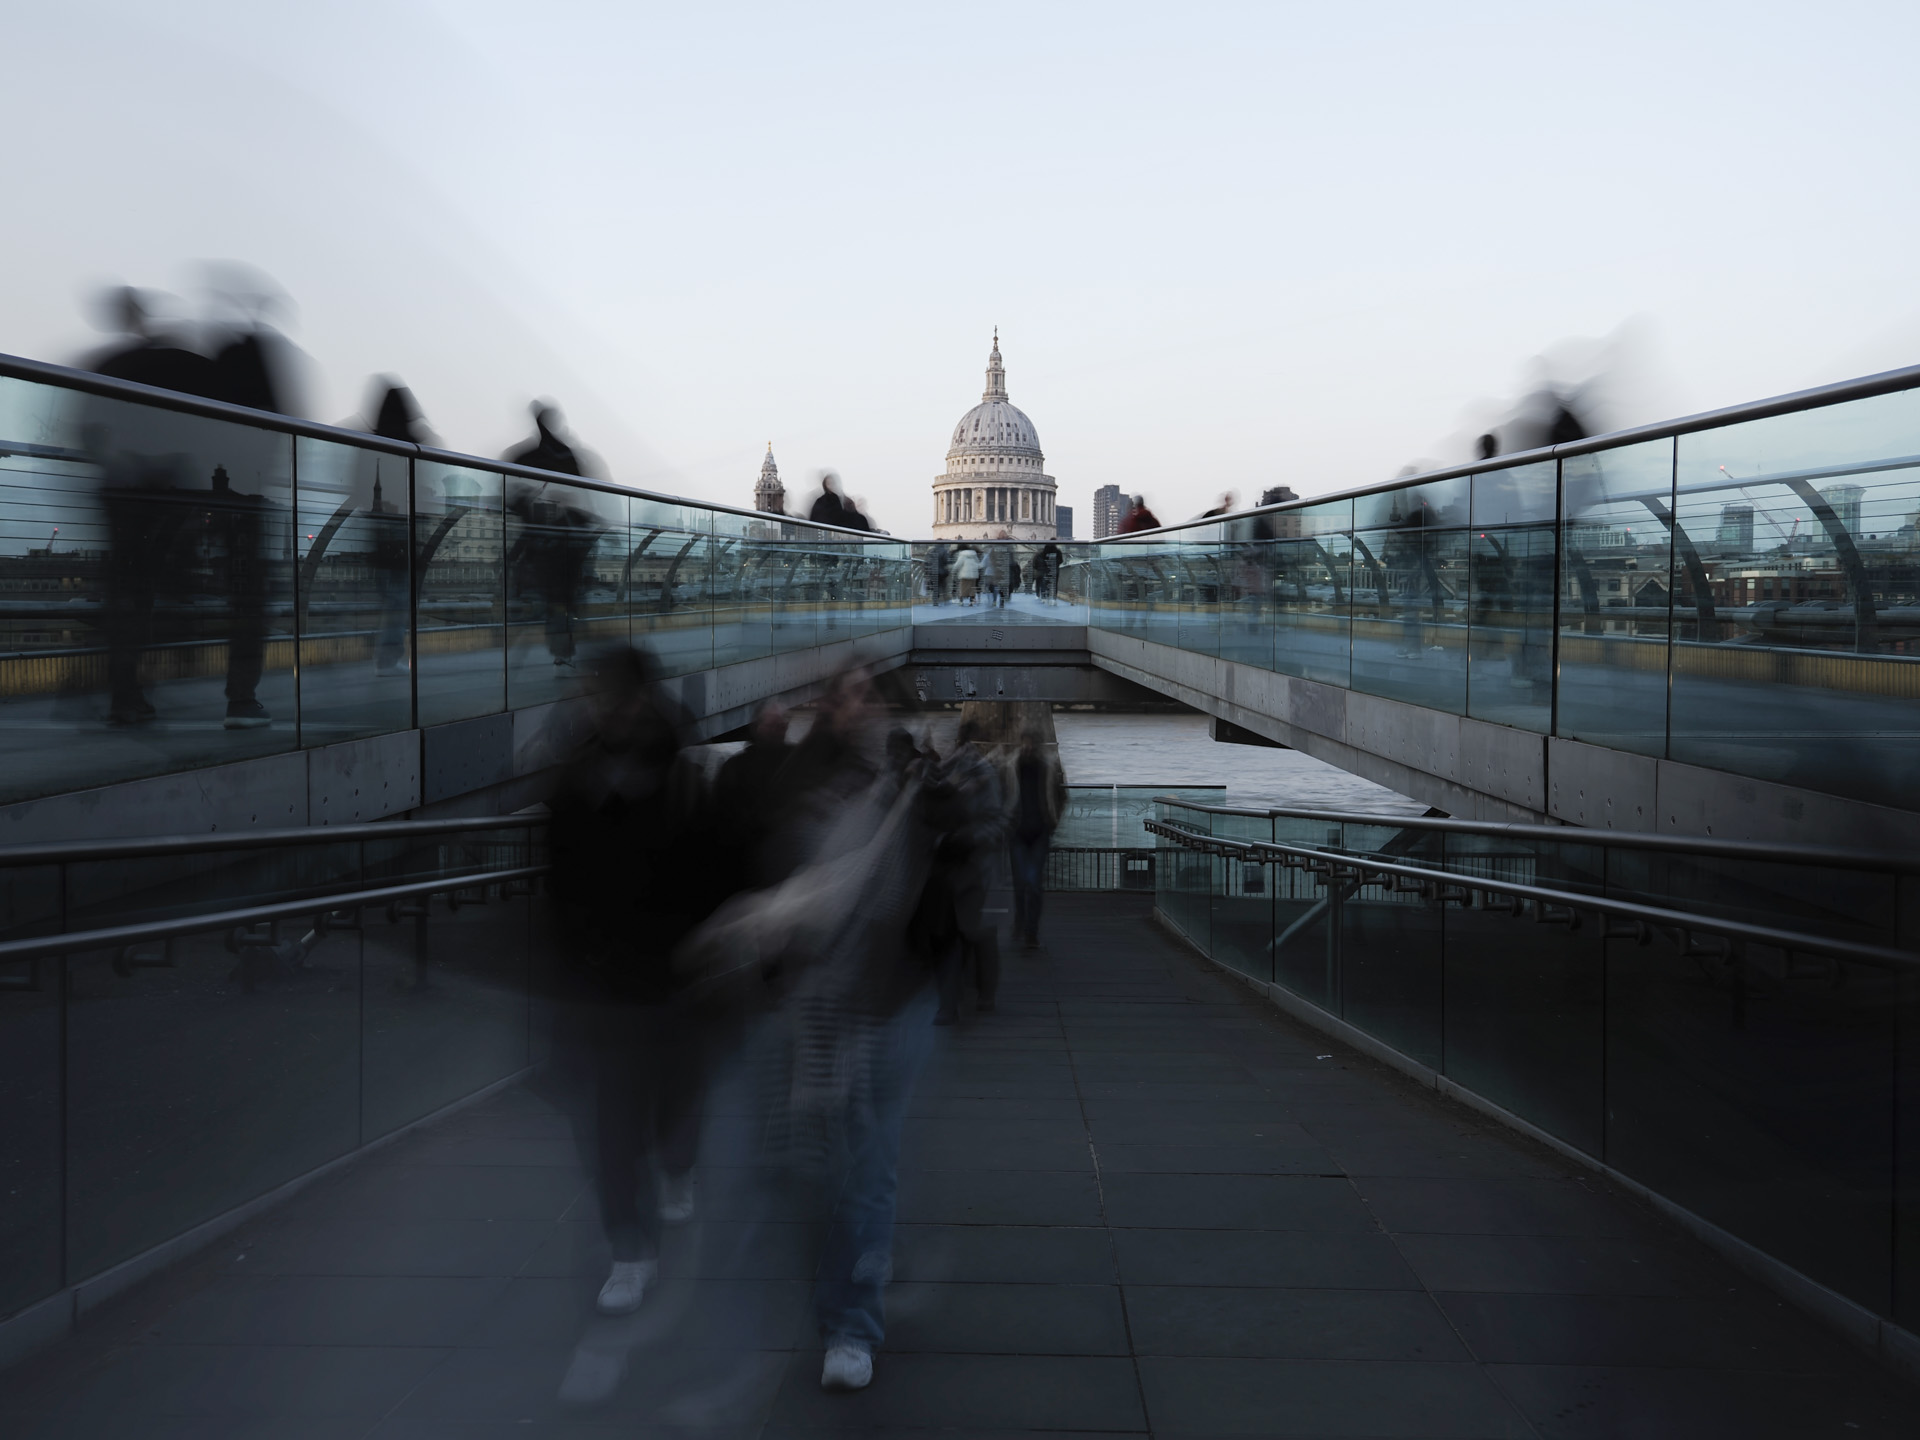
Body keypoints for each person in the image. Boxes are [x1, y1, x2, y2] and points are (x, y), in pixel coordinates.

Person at [547, 646, 720, 1319]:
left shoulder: (681, 780)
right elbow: (559, 892)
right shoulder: (575, 782)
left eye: (616, 695)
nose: (608, 707)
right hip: (607, 987)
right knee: (612, 1127)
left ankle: (677, 1164)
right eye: (600, 695)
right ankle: (630, 1250)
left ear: (642, 699)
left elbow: (715, 872)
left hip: (673, 978)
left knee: (671, 1099)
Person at [930, 718, 1005, 1024]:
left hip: (971, 864)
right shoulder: (943, 772)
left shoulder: (981, 775)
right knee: (952, 934)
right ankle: (955, 1000)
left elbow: (994, 821)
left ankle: (972, 995)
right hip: (951, 865)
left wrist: (968, 838)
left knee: (970, 932)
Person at [1008, 733, 1067, 949]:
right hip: (1017, 831)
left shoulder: (1049, 767)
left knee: (1033, 883)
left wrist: (1053, 821)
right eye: (1025, 745)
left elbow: (1061, 795)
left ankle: (1030, 930)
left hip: (1040, 831)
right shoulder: (1011, 766)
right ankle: (1020, 920)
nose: (1028, 749)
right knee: (1020, 883)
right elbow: (1003, 792)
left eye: (1031, 746)